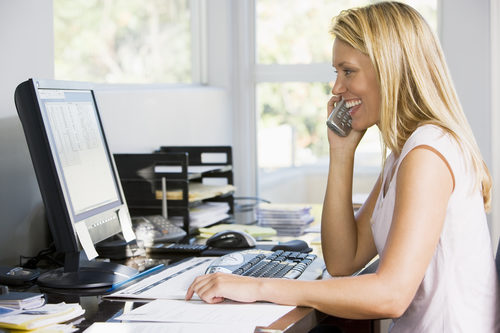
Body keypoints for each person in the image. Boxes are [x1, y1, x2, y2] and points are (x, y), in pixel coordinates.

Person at [186, 2, 500, 331]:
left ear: (389, 69)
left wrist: (257, 287)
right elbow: (342, 260)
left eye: (347, 71)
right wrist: (341, 152)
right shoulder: (404, 153)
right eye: (336, 73)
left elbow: (391, 295)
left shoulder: (428, 153)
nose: (337, 88)